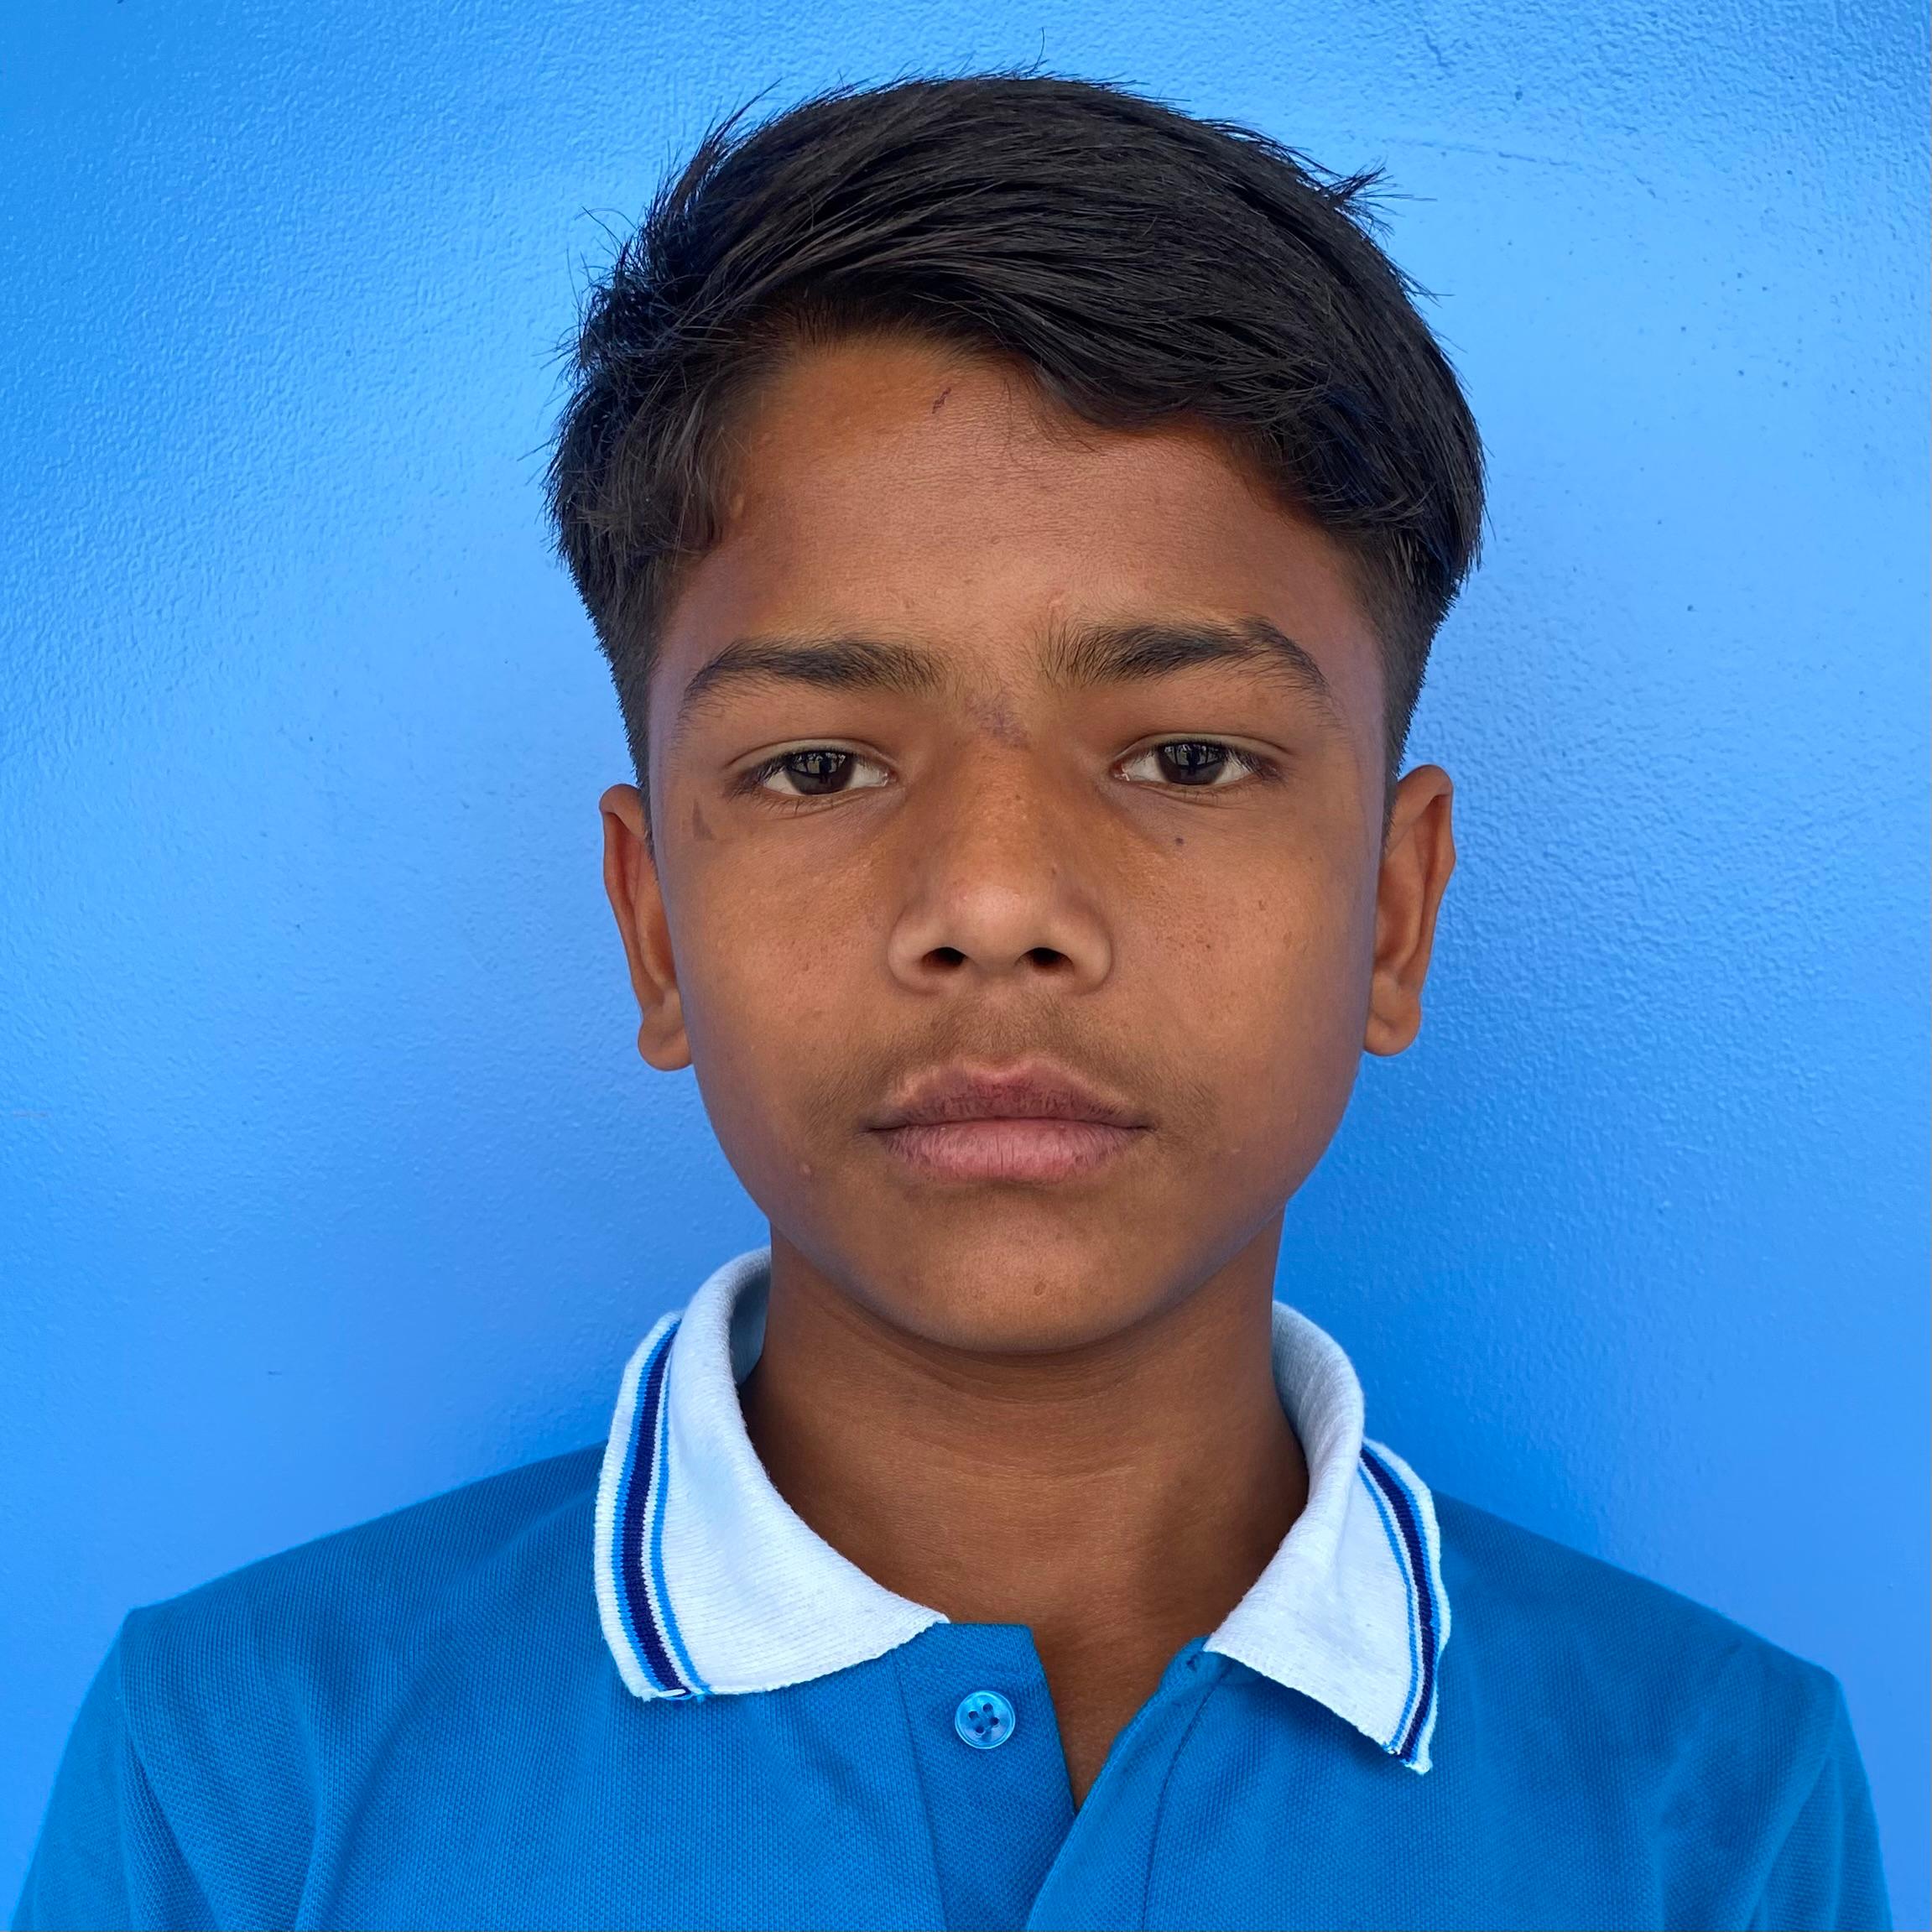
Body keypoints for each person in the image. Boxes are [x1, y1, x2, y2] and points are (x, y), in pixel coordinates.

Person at [14, 75, 1888, 1932]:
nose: (995, 908)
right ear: (652, 926)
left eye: (1187, 757)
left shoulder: (1711, 1805)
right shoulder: (247, 1777)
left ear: (1394, 914)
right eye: (820, 767)